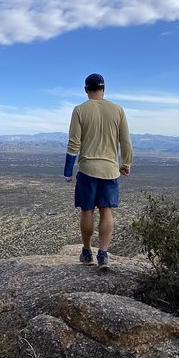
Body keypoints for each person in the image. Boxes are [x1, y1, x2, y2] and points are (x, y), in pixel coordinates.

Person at [63, 73, 133, 269]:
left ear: (86, 89)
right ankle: (103, 253)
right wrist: (126, 163)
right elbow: (125, 141)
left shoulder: (79, 110)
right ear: (104, 89)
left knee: (87, 211)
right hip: (110, 170)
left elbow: (74, 142)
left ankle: (87, 252)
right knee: (106, 211)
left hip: (87, 169)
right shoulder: (118, 110)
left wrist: (68, 170)